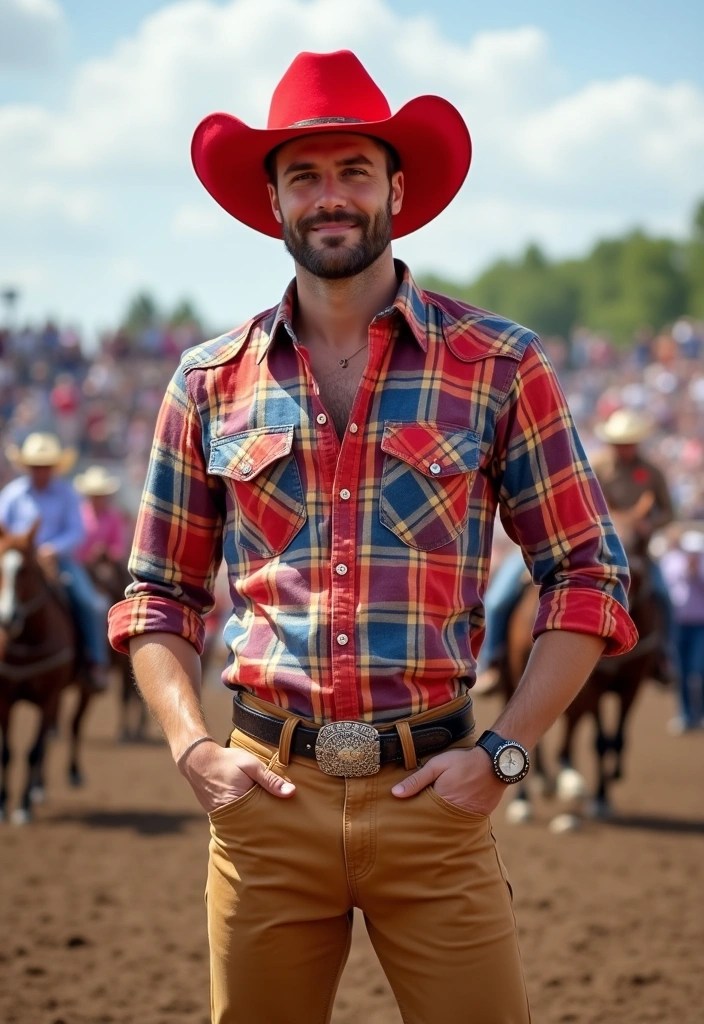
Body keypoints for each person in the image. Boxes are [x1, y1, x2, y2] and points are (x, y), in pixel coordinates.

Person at [107, 49, 637, 1024]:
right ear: (272, 202)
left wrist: (507, 754)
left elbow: (585, 574)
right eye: (302, 175)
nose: (329, 196)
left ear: (396, 186)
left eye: (352, 170)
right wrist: (189, 749)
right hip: (265, 802)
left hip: (436, 802)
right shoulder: (205, 380)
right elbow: (157, 594)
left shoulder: (499, 363)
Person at [476, 406, 676, 694]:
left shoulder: (651, 473)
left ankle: (662, 657)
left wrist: (648, 525)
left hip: (635, 551)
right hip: (576, 544)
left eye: (630, 443)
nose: (625, 449)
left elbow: (669, 512)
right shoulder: (595, 467)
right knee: (499, 598)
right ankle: (491, 661)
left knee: (662, 595)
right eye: (621, 444)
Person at [0, 433, 111, 691]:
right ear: (27, 467)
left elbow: (77, 531)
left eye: (45, 466)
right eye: (36, 466)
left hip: (58, 561)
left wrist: (53, 548)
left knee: (89, 602)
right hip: (16, 562)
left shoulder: (67, 494)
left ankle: (95, 662)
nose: (40, 471)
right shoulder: (12, 494)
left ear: (53, 467)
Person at [660, 528, 704, 733]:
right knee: (683, 671)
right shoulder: (672, 562)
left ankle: (700, 713)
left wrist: (696, 573)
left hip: (700, 625)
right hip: (678, 625)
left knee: (699, 669)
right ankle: (686, 714)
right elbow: (667, 588)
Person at [73, 464, 128, 565]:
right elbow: (74, 544)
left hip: (106, 563)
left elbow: (119, 547)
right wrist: (88, 555)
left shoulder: (114, 516)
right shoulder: (78, 514)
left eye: (101, 496)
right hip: (81, 563)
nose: (98, 500)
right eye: (94, 495)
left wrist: (106, 551)